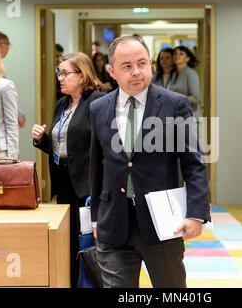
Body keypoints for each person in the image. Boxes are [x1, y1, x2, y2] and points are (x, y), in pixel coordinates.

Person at [89, 35, 210, 288]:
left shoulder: (174, 104)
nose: (137, 72)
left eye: (142, 63)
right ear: (112, 71)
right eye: (127, 66)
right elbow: (97, 165)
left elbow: (194, 163)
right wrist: (95, 217)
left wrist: (197, 214)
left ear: (151, 65)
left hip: (163, 225)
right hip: (114, 224)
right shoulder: (98, 108)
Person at [32, 51, 105, 287]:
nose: (60, 78)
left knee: (86, 240)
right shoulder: (63, 103)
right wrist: (42, 139)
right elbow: (61, 145)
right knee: (69, 239)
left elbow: (101, 147)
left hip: (86, 182)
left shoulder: (97, 101)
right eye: (59, 73)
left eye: (65, 73)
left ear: (82, 75)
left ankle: (89, 282)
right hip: (62, 179)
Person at [0, 31, 26, 128]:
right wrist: (19, 114)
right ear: (1, 44)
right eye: (8, 45)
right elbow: (2, 96)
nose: (8, 48)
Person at [170, 45, 202, 120]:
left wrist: (176, 100)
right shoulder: (174, 74)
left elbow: (196, 98)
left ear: (187, 59)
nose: (177, 55)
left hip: (191, 117)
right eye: (175, 53)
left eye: (181, 53)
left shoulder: (191, 73)